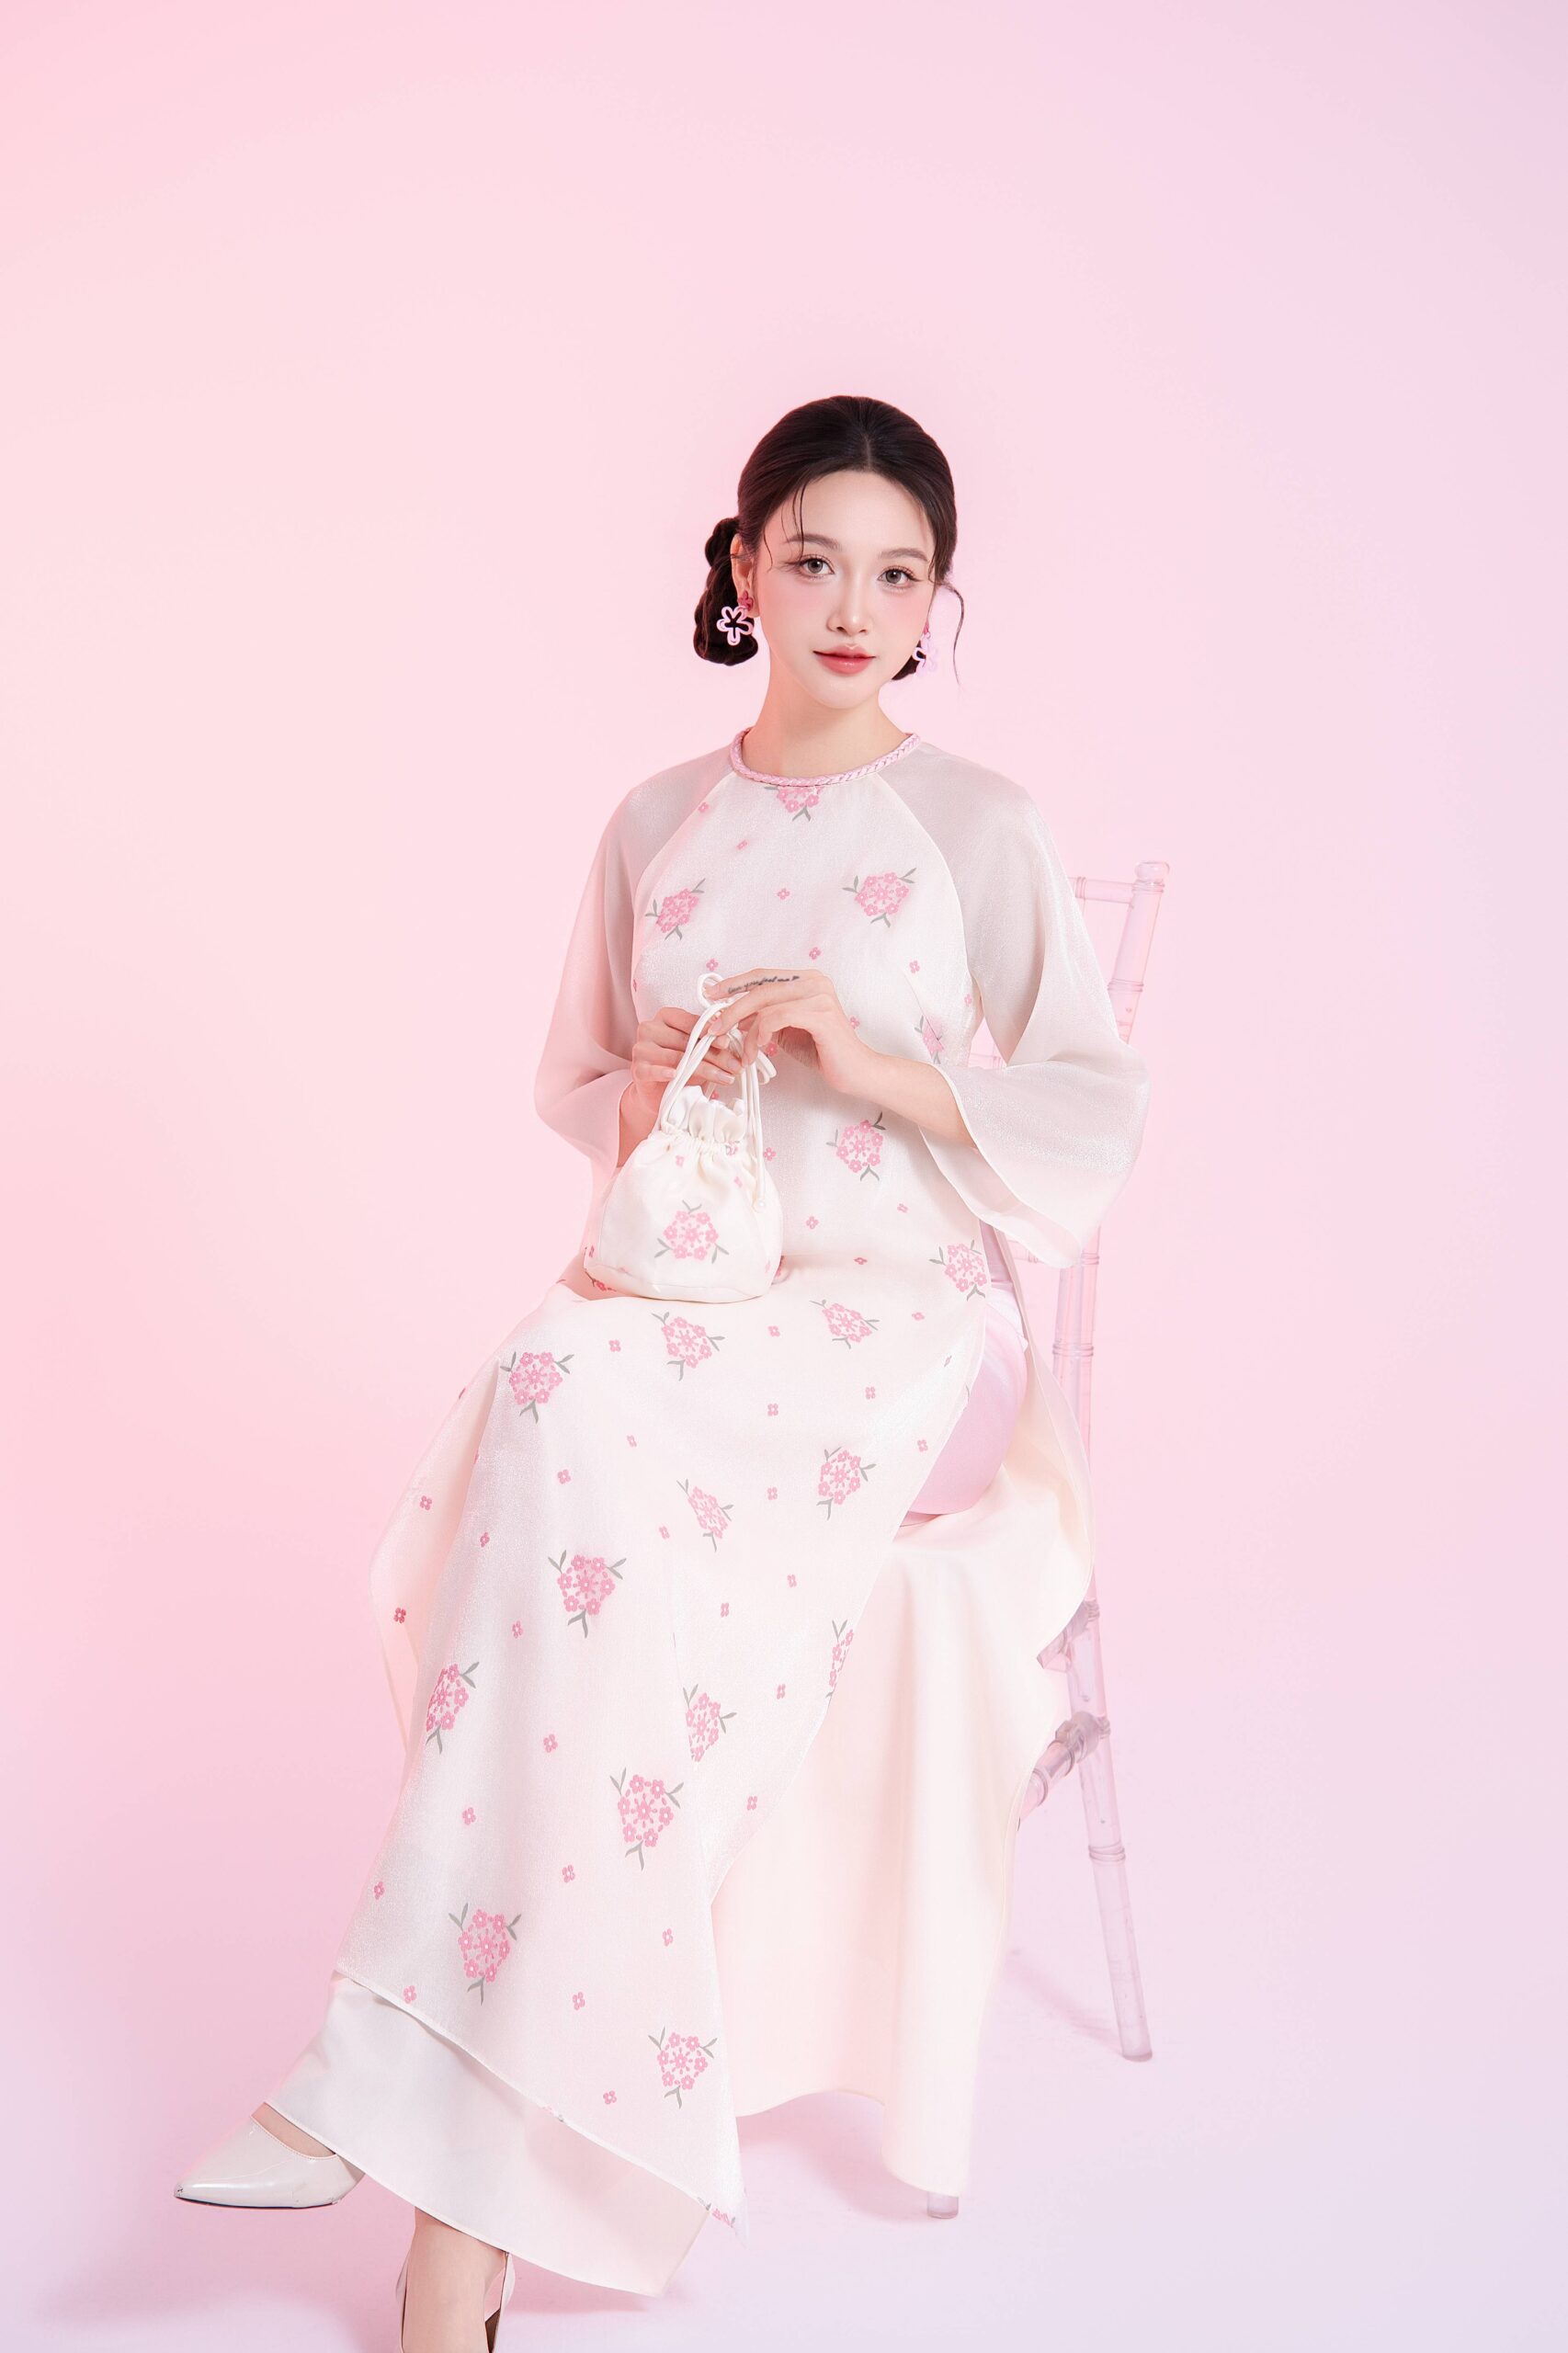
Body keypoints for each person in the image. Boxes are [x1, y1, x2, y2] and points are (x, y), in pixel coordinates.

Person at [174, 393, 1151, 2351]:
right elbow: (585, 1084)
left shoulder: (980, 825)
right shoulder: (653, 822)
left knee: (563, 1419)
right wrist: (657, 1090)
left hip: (896, 1328)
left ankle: (386, 2094)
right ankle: (449, 2207)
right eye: (815, 561)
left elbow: (1088, 1114)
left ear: (937, 599)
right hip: (691, 1302)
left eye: (899, 576)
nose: (855, 608)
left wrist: (870, 1062)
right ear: (741, 570)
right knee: (549, 1394)